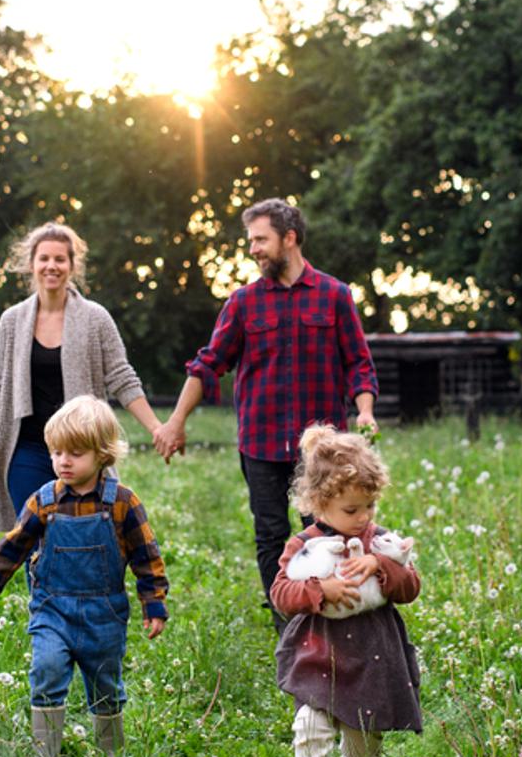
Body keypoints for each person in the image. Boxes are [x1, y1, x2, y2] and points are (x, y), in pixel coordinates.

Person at [153, 198, 378, 631]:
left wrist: (365, 410)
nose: (253, 248)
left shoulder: (335, 296)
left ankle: (336, 620)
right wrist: (175, 421)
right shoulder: (243, 303)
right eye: (251, 240)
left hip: (323, 450)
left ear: (289, 238)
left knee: (331, 532)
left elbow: (359, 363)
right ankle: (290, 626)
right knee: (271, 535)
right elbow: (208, 363)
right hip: (261, 442)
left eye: (261, 239)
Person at [0, 395, 169, 757]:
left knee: (106, 685)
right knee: (46, 670)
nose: (63, 461)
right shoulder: (43, 502)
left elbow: (146, 556)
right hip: (53, 610)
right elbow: (10, 551)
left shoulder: (122, 503)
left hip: (104, 615)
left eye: (75, 453)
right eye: (56, 452)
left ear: (103, 455)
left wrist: (154, 603)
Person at [268, 424, 420, 757]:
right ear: (319, 505)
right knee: (310, 729)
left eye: (369, 506)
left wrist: (382, 565)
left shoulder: (381, 542)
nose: (363, 518)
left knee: (363, 741)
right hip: (319, 656)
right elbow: (280, 592)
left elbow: (411, 588)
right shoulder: (302, 545)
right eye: (351, 511)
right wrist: (320, 589)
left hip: (371, 660)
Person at [0, 223, 166, 536]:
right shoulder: (11, 321)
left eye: (60, 259)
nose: (52, 266)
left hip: (81, 449)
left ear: (72, 265)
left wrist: (157, 428)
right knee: (30, 536)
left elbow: (122, 377)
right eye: (44, 259)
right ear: (32, 265)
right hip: (26, 447)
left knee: (85, 531)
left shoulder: (96, 319)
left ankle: (80, 587)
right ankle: (39, 589)